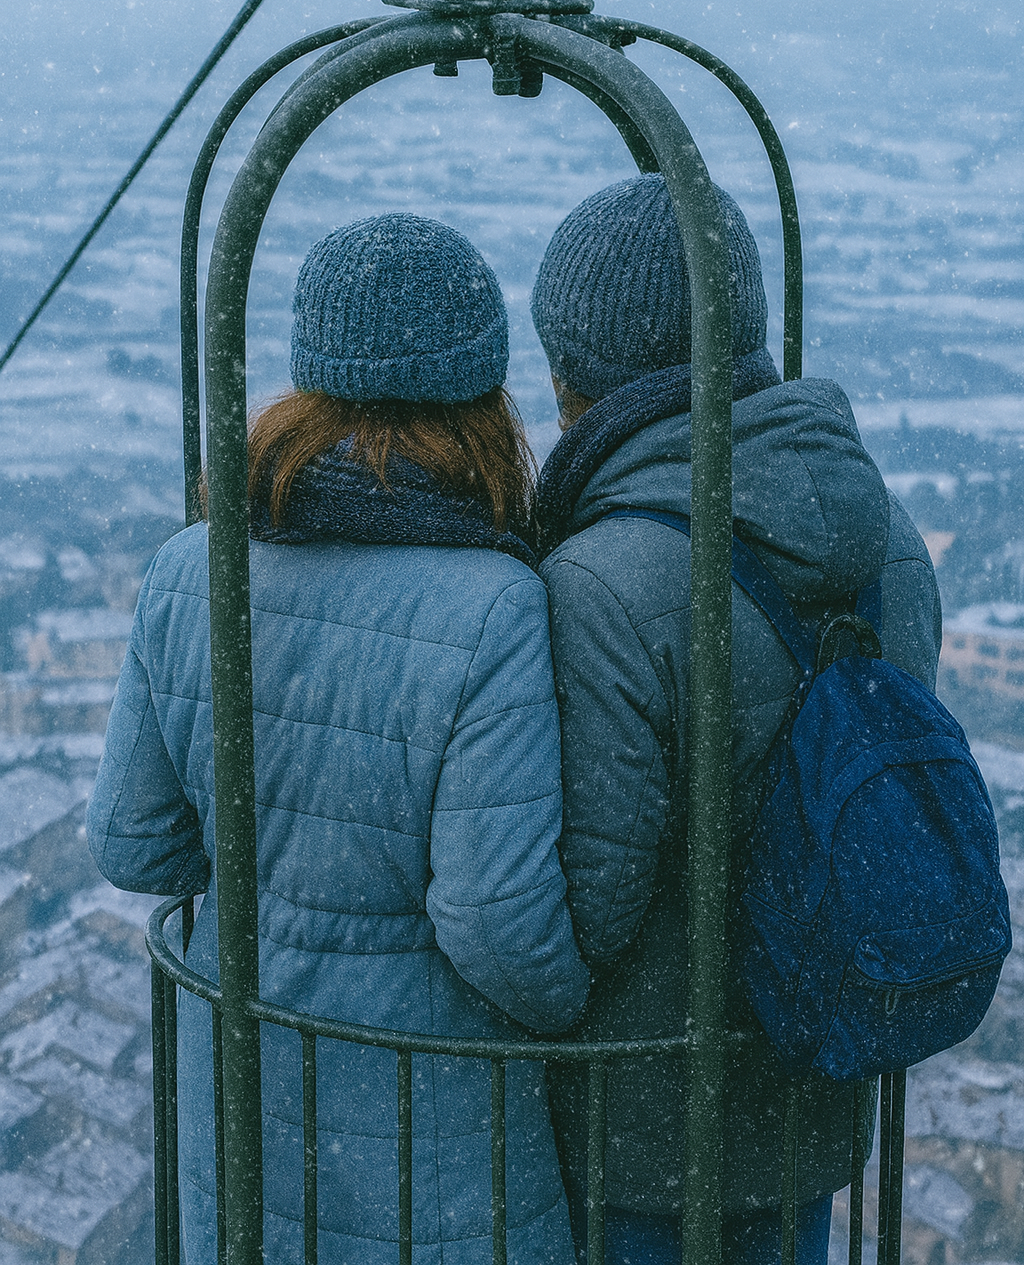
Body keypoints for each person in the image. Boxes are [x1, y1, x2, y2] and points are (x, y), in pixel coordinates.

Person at [87, 213, 590, 1265]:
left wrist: (266, 879)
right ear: (480, 396)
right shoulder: (495, 605)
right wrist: (575, 1013)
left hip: (242, 1081)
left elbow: (136, 844)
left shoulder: (193, 567)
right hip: (430, 1111)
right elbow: (495, 922)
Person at [529, 174, 942, 1265]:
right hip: (812, 1079)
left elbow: (589, 909)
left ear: (579, 375)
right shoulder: (886, 540)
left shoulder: (604, 583)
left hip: (642, 1125)